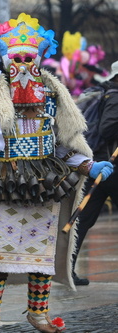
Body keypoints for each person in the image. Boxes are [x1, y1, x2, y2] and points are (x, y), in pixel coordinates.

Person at [0, 13, 114, 333]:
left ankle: (38, 313)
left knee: (41, 253)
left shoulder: (53, 95)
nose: (23, 64)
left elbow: (60, 144)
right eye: (17, 58)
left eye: (29, 58)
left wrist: (87, 164)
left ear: (39, 59)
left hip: (45, 184)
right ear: (5, 59)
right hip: (2, 183)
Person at [71, 60, 118, 286]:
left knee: (83, 220)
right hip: (110, 167)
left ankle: (67, 268)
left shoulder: (104, 93)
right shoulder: (115, 96)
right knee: (83, 219)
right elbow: (108, 128)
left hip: (98, 165)